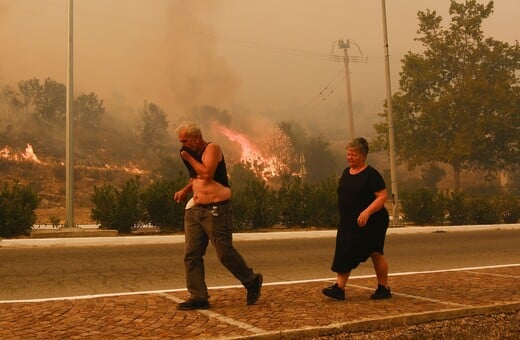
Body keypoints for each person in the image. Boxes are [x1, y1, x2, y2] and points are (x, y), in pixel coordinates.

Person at [173, 121, 263, 310]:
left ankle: (251, 281)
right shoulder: (189, 153)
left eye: (185, 140)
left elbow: (206, 173)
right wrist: (185, 190)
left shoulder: (212, 149)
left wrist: (188, 158)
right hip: (195, 210)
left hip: (216, 210)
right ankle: (198, 296)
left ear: (196, 138)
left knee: (224, 253)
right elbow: (196, 178)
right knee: (191, 254)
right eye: (181, 141)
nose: (182, 145)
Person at [322, 137, 392, 301]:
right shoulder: (346, 172)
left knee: (375, 252)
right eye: (348, 154)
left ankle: (383, 288)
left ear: (363, 156)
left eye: (353, 154)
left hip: (372, 221)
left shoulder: (371, 175)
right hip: (349, 222)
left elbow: (382, 197)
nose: (350, 157)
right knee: (344, 250)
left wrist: (367, 212)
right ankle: (339, 288)